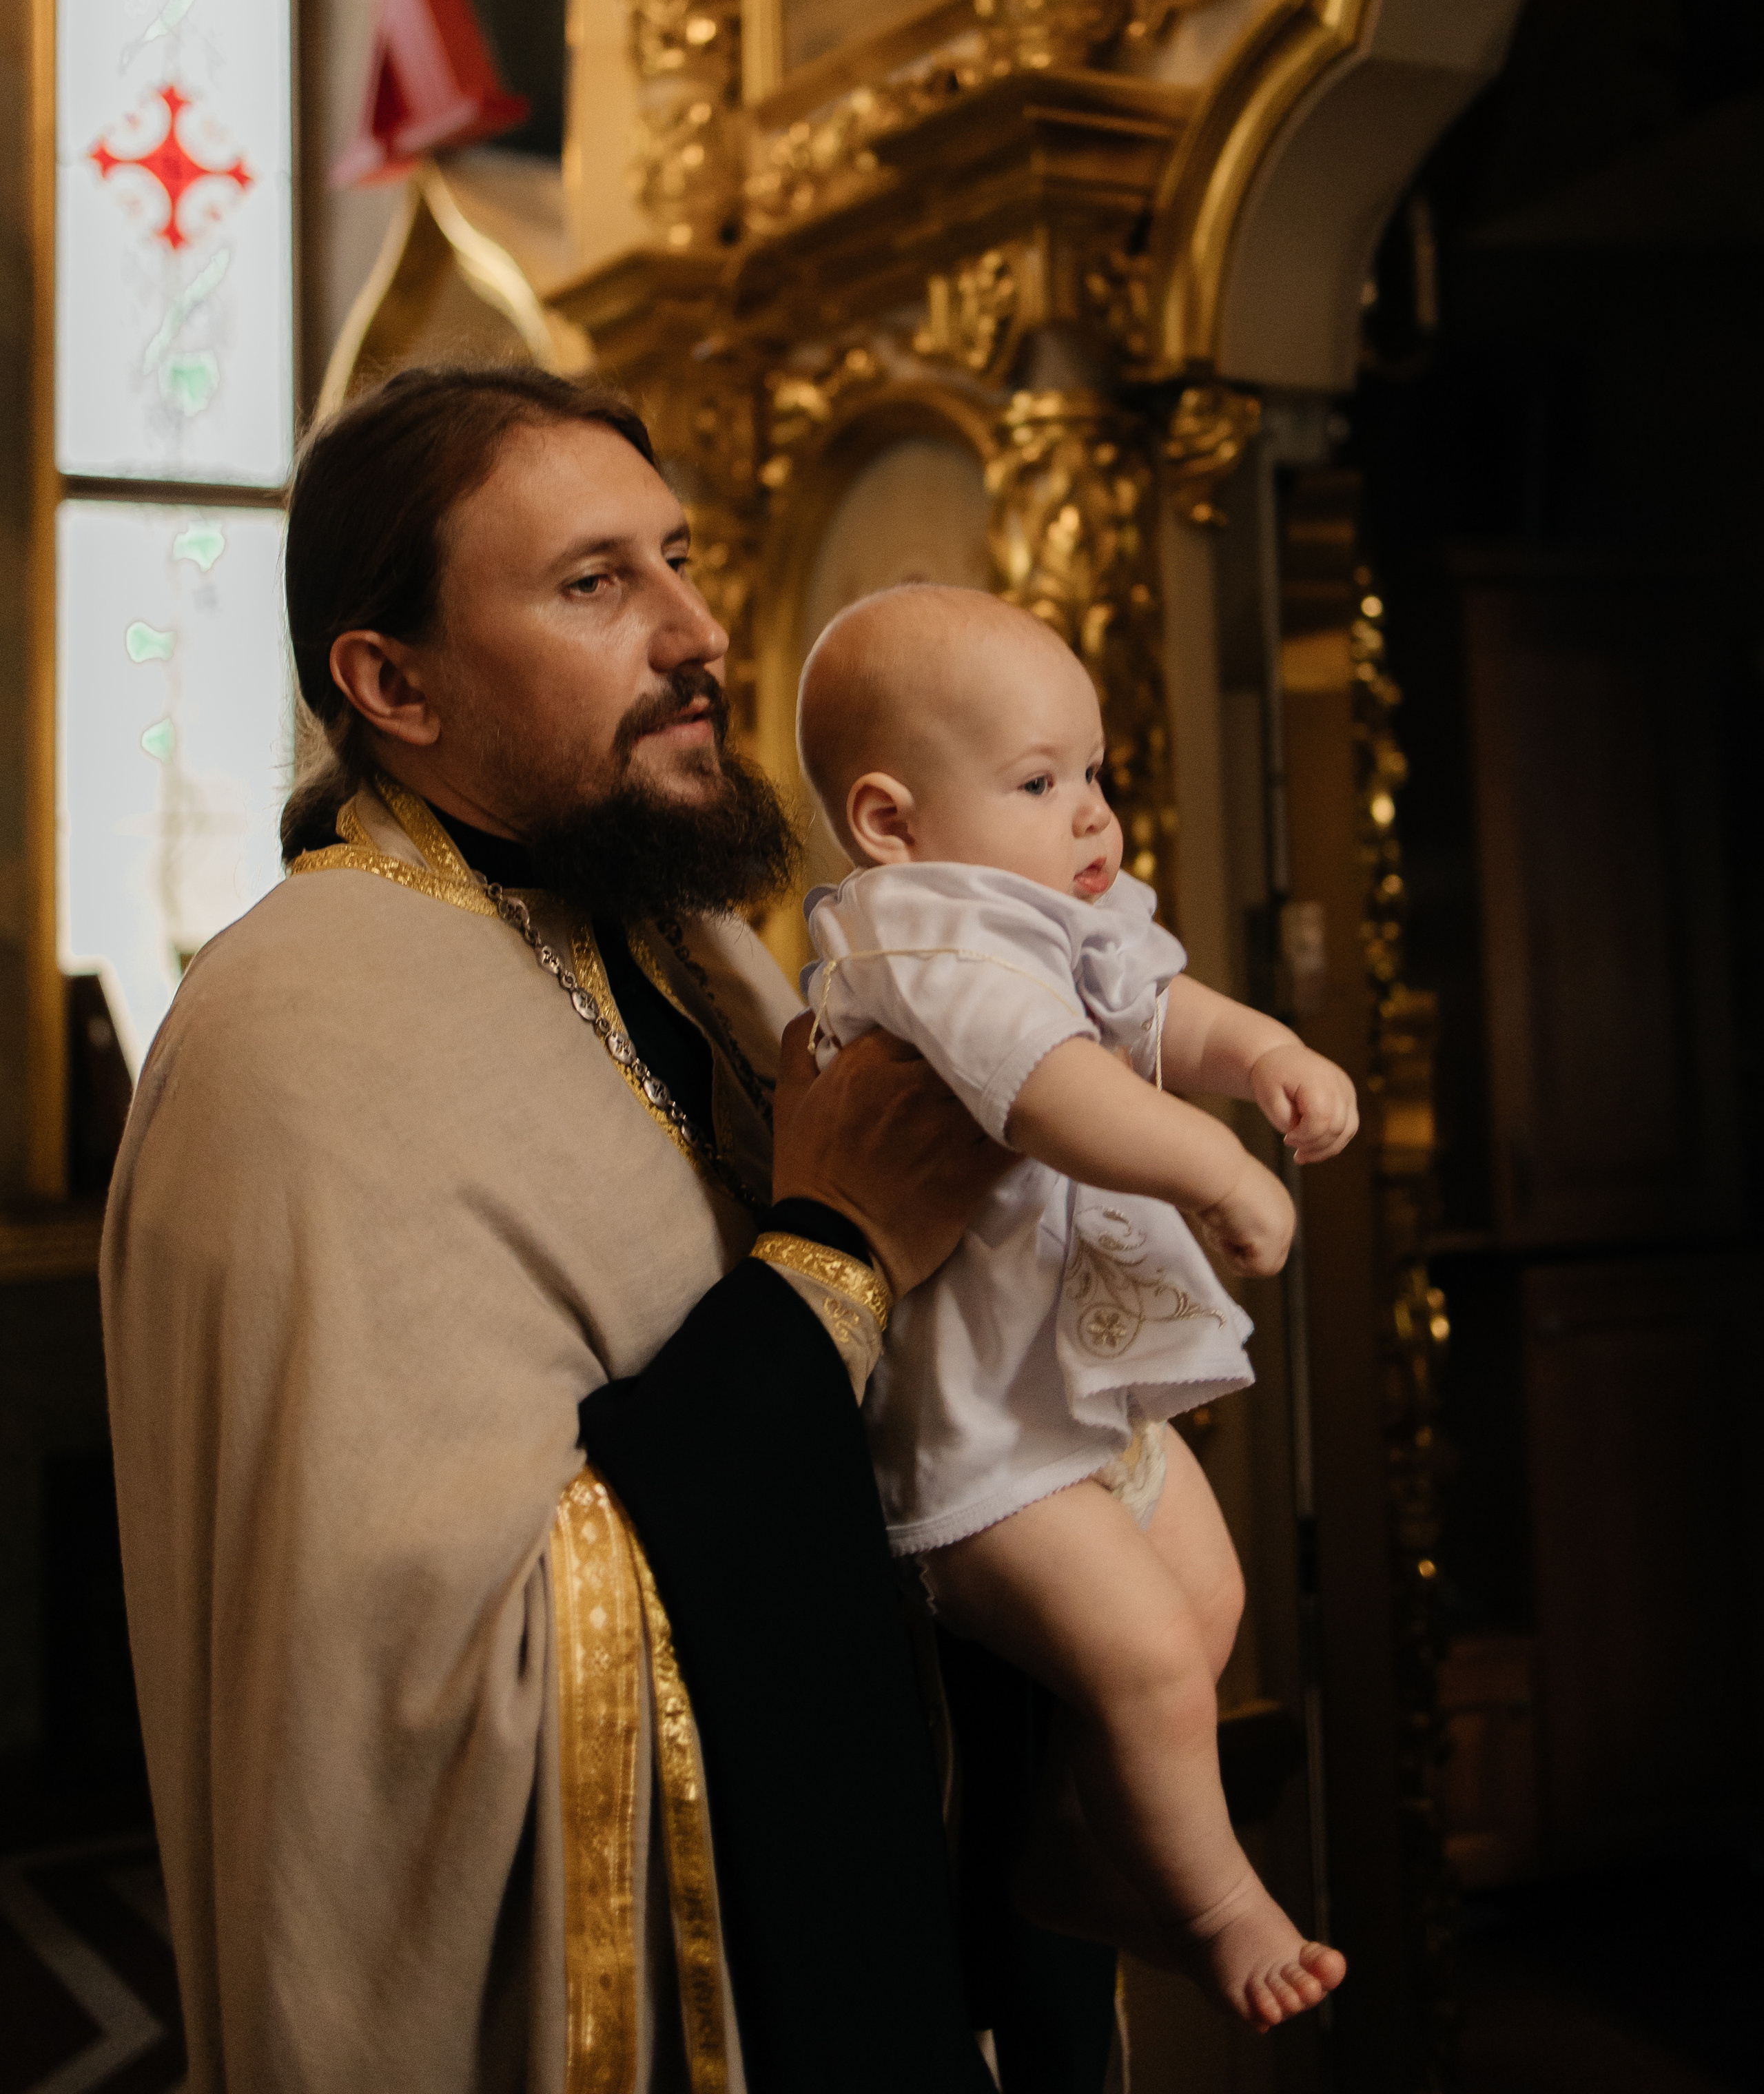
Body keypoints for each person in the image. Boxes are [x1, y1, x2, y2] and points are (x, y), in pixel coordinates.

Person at [101, 367, 1060, 2093]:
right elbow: (414, 1681)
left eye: (678, 559)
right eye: (594, 583)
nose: (697, 631)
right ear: (392, 683)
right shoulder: (299, 1035)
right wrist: (837, 1258)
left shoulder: (685, 947)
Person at [797, 584, 1357, 2033]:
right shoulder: (920, 939)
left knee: (1207, 1608)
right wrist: (1213, 1166)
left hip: (1080, 1409)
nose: (1092, 816)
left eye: (1093, 773)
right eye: (1041, 784)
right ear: (889, 821)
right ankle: (1217, 1909)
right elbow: (1053, 1086)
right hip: (984, 1444)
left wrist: (1269, 1054)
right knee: (1154, 1660)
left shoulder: (1057, 917)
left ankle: (1064, 1849)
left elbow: (1163, 1015)